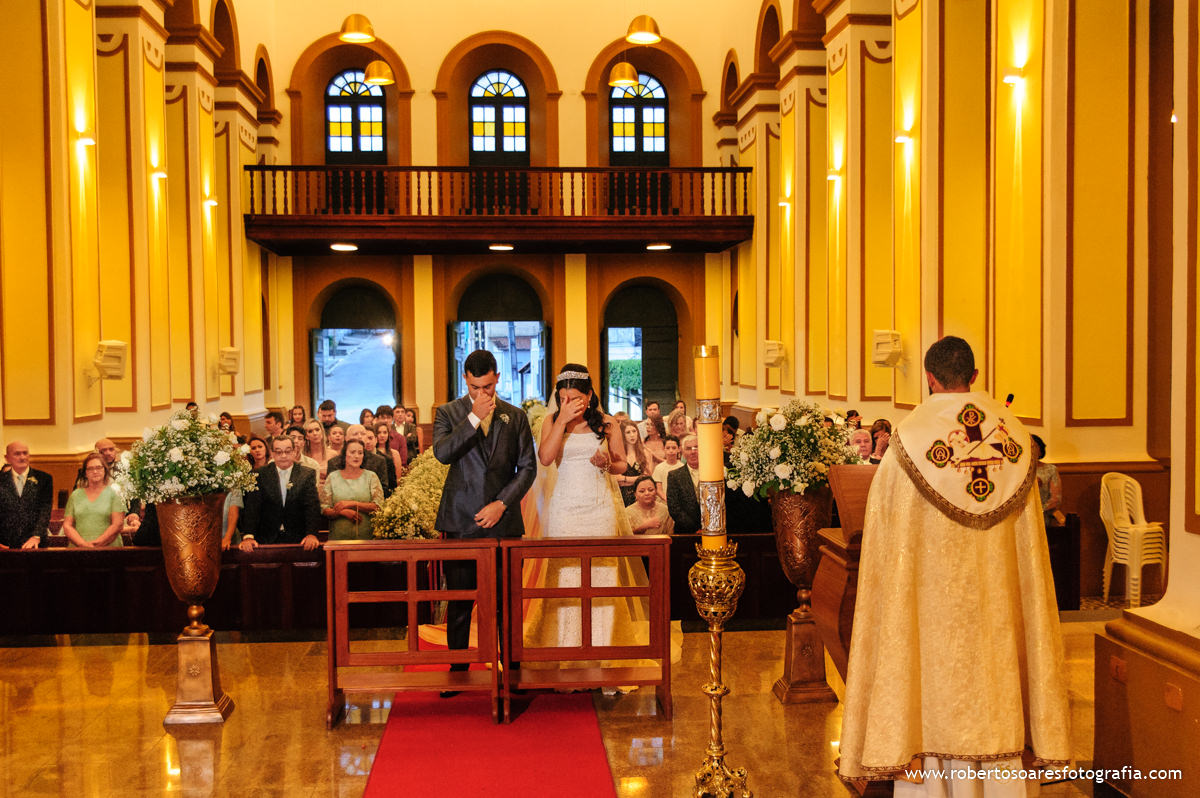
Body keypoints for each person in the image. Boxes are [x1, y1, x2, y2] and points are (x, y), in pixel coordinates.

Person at [838, 336, 1071, 793]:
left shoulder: (907, 443)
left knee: (931, 685)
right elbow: (1031, 549)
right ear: (975, 377)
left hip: (930, 615)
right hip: (998, 616)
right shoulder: (1016, 442)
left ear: (928, 378)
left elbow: (885, 536)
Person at [528, 364, 649, 677]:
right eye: (564, 398)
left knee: (602, 584)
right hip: (565, 511)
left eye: (576, 399)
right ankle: (568, 660)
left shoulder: (606, 423)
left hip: (599, 510)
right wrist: (563, 421)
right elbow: (545, 458)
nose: (570, 403)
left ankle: (603, 661)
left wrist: (608, 463)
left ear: (590, 395)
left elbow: (622, 464)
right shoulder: (552, 422)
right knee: (565, 584)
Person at [433, 349, 536, 682]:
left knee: (507, 602)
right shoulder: (448, 413)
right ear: (465, 378)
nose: (482, 394)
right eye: (476, 387)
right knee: (461, 603)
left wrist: (502, 503)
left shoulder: (515, 416)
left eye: (488, 387)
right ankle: (459, 670)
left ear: (497, 379)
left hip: (504, 522)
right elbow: (443, 453)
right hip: (461, 521)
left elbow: (528, 468)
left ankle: (511, 670)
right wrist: (474, 418)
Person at [239, 437, 322, 551]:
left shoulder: (306, 474)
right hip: (266, 538)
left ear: (294, 452)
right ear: (272, 453)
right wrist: (248, 536)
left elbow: (312, 507)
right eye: (278, 452)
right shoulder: (259, 474)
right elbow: (252, 507)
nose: (283, 456)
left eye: (287, 451)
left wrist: (311, 534)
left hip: (299, 539)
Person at [320, 439, 383, 540]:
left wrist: (353, 504)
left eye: (360, 453)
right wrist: (342, 512)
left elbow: (378, 507)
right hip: (338, 537)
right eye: (352, 452)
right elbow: (324, 508)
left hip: (366, 537)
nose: (356, 456)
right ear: (345, 454)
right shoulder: (333, 477)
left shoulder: (371, 476)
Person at [62, 451, 127, 547]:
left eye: (98, 467)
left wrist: (96, 544)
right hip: (79, 549)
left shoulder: (115, 493)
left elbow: (117, 525)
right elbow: (67, 525)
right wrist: (82, 544)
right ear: (85, 473)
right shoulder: (76, 495)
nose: (95, 471)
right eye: (90, 469)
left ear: (105, 470)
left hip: (109, 548)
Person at [0, 441, 53, 549]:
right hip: (5, 544)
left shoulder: (44, 479)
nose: (22, 457)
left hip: (35, 543)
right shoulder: (1, 480)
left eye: (25, 453)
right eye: (17, 454)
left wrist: (36, 536)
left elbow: (45, 510)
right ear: (7, 458)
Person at [327, 424, 393, 496]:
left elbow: (383, 490)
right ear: (346, 438)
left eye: (363, 434)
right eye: (355, 434)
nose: (359, 437)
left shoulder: (379, 461)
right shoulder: (334, 462)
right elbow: (331, 490)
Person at [665, 435, 702, 534]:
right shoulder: (674, 476)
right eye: (688, 449)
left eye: (696, 447)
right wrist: (695, 529)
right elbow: (674, 508)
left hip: (712, 529)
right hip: (685, 532)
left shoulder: (713, 473)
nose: (693, 452)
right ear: (683, 452)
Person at [615, 420, 653, 506]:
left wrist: (624, 479)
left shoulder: (646, 452)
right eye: (628, 432)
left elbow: (647, 477)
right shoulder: (617, 454)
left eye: (634, 431)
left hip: (641, 497)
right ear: (622, 435)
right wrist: (638, 478)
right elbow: (616, 479)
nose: (632, 435)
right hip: (621, 497)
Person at [1031, 434, 1064, 527]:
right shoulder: (1018, 470)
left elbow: (1056, 499)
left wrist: (1038, 511)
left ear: (1040, 450)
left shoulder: (1051, 469)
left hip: (1043, 515)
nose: (1031, 450)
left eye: (1034, 446)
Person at [301, 418, 335, 485]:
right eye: (310, 431)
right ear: (306, 436)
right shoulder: (302, 456)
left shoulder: (333, 454)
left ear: (322, 432)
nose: (315, 433)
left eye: (317, 430)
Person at [652, 435, 684, 501]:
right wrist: (668, 500)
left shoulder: (682, 467)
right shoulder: (659, 468)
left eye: (674, 448)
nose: (671, 451)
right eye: (668, 448)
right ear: (663, 449)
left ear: (679, 449)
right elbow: (658, 489)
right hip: (664, 502)